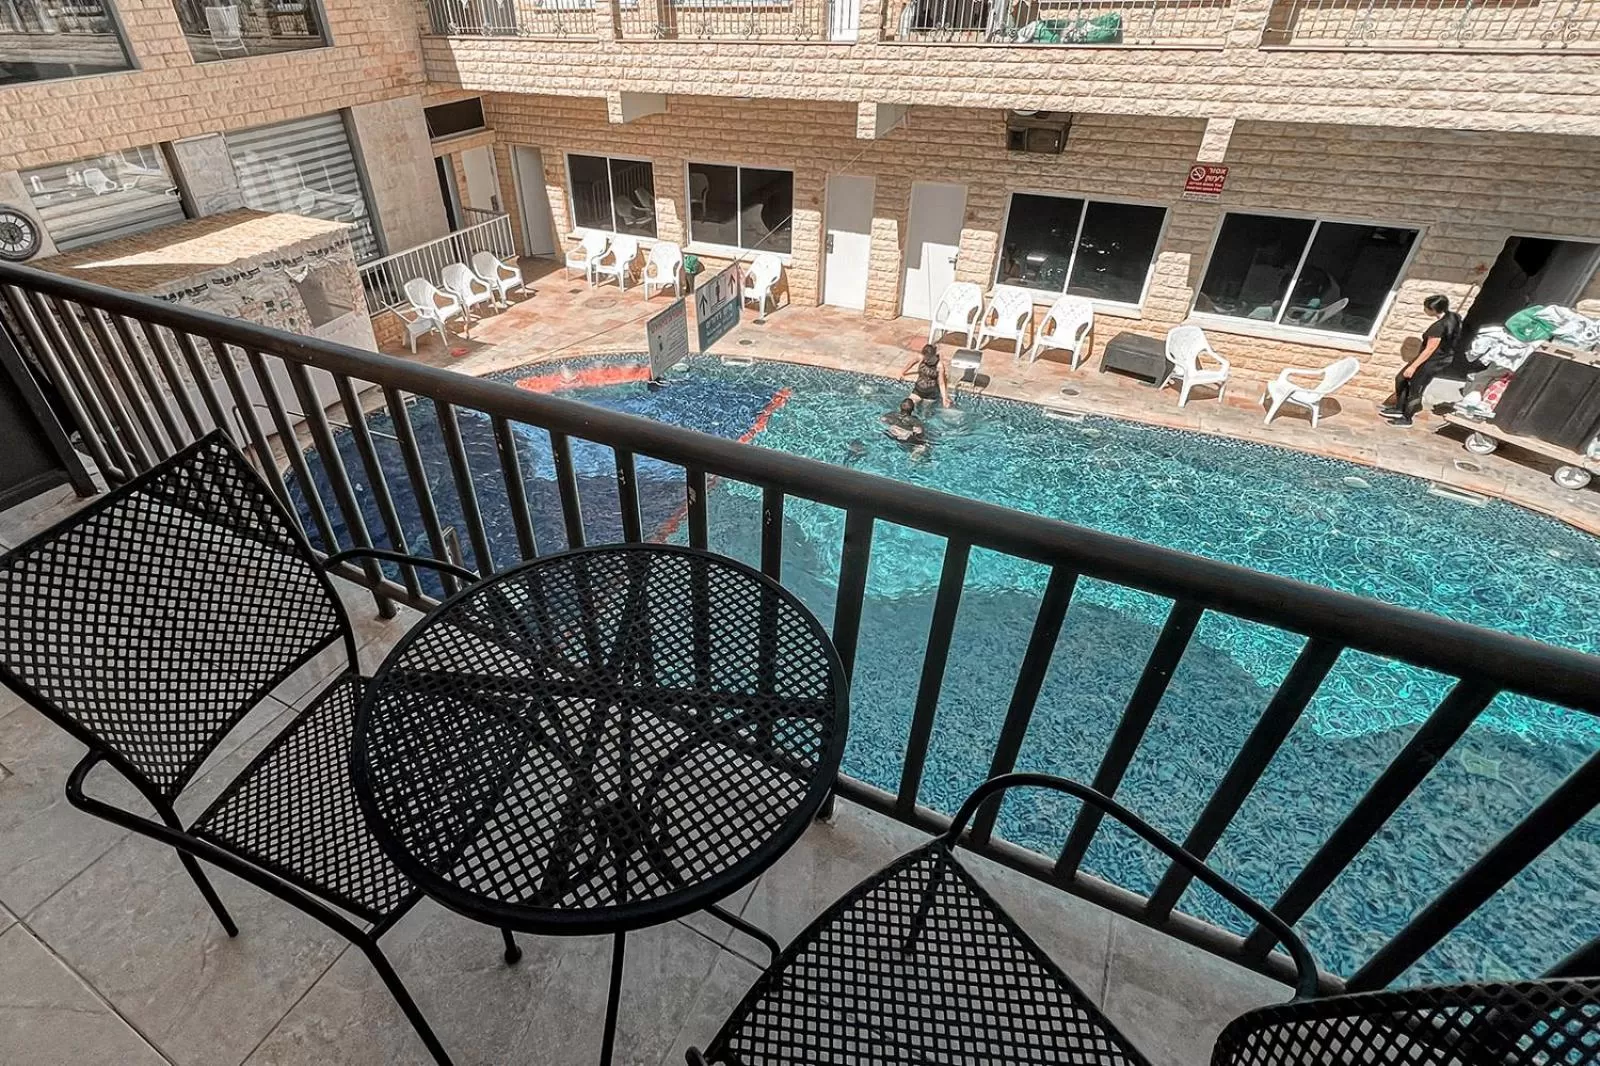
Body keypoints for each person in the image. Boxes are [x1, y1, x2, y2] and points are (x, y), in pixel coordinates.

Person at [1384, 294, 1463, 427]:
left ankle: (1406, 418)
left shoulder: (1438, 327)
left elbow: (1429, 349)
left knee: (1416, 388)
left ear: (1433, 309)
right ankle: (1399, 408)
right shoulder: (1453, 317)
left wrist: (1413, 366)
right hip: (1439, 357)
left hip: (1433, 360)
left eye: (1426, 308)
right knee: (1401, 379)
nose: (1424, 310)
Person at [900, 344, 951, 410]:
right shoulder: (921, 357)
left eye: (928, 358)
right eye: (925, 357)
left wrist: (944, 398)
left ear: (933, 356)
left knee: (925, 413)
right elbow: (911, 362)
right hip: (918, 390)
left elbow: (941, 383)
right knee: (907, 406)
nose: (926, 360)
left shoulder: (939, 365)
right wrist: (903, 372)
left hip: (930, 395)